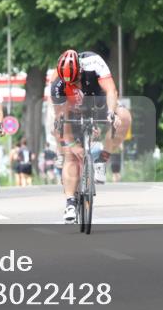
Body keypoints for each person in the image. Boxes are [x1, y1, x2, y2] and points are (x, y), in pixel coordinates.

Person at [50, 49, 132, 223]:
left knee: (124, 117)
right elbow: (61, 119)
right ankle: (70, 203)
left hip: (99, 98)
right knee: (70, 155)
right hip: (72, 109)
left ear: (81, 69)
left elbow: (111, 90)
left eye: (77, 80)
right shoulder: (57, 83)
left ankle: (102, 160)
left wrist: (111, 113)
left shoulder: (93, 62)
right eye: (71, 83)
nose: (76, 84)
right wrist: (72, 146)